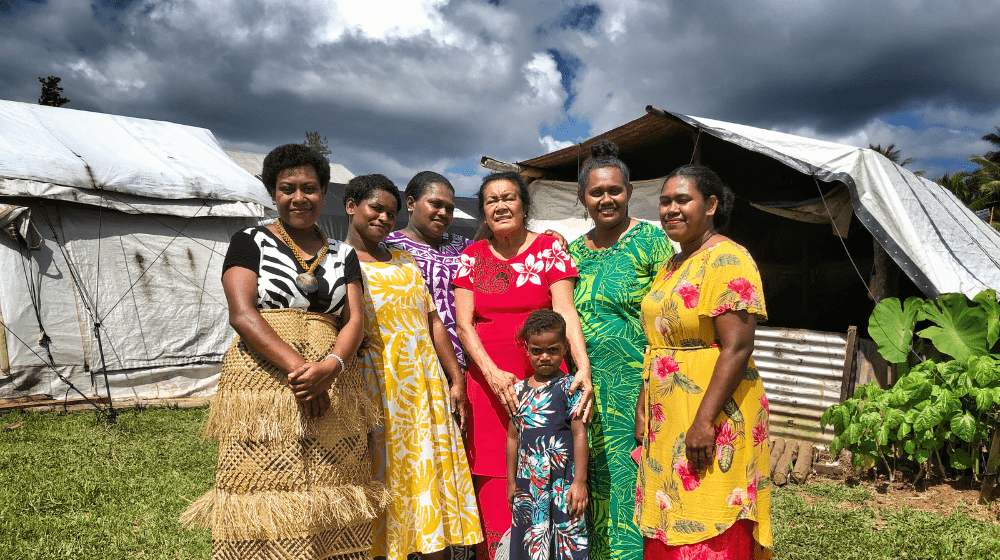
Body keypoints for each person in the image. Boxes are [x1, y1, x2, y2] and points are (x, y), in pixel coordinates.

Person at [181, 143, 387, 560]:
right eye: (286, 188)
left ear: (324, 192)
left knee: (333, 476)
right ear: (272, 193)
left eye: (309, 188)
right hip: (265, 380)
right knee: (266, 480)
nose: (298, 198)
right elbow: (242, 313)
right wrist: (300, 370)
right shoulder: (249, 240)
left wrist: (330, 366)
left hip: (333, 380)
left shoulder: (344, 254)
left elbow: (354, 320)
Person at [452, 171, 594, 560]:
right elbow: (464, 324)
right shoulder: (472, 257)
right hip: (488, 387)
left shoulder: (549, 249)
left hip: (545, 389)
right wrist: (493, 374)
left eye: (509, 197)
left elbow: (566, 311)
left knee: (551, 475)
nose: (500, 205)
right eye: (491, 200)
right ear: (483, 210)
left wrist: (582, 370)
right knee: (497, 479)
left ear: (525, 205)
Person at [634, 164, 772, 559]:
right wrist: (645, 405)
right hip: (670, 411)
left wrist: (703, 422)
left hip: (713, 412)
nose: (670, 210)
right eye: (664, 202)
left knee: (709, 516)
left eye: (682, 200)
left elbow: (738, 347)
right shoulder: (673, 264)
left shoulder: (728, 259)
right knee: (671, 511)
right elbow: (660, 344)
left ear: (710, 205)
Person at [344, 174, 482, 560]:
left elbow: (433, 321)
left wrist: (455, 377)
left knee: (430, 473)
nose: (385, 218)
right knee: (384, 473)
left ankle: (433, 548)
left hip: (424, 381)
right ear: (351, 205)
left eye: (391, 212)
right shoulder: (340, 259)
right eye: (377, 209)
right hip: (378, 382)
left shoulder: (404, 258)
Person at [567, 140, 675, 560]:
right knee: (589, 482)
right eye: (596, 192)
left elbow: (667, 320)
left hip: (639, 388)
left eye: (614, 190)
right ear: (582, 198)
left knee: (637, 481)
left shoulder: (653, 242)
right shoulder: (573, 252)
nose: (606, 199)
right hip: (587, 389)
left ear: (628, 192)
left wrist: (651, 391)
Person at [507, 310, 589, 560]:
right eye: (536, 351)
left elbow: (579, 434)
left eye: (553, 350)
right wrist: (511, 482)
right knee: (530, 544)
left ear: (565, 348)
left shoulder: (571, 387)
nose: (545, 357)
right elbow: (512, 437)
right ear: (527, 349)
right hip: (528, 485)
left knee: (564, 543)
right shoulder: (518, 391)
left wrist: (579, 482)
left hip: (562, 483)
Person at [385, 171, 472, 370]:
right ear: (410, 203)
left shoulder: (464, 246)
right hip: (414, 361)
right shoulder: (388, 248)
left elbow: (500, 251)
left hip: (468, 362)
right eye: (436, 204)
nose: (443, 213)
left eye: (449, 208)